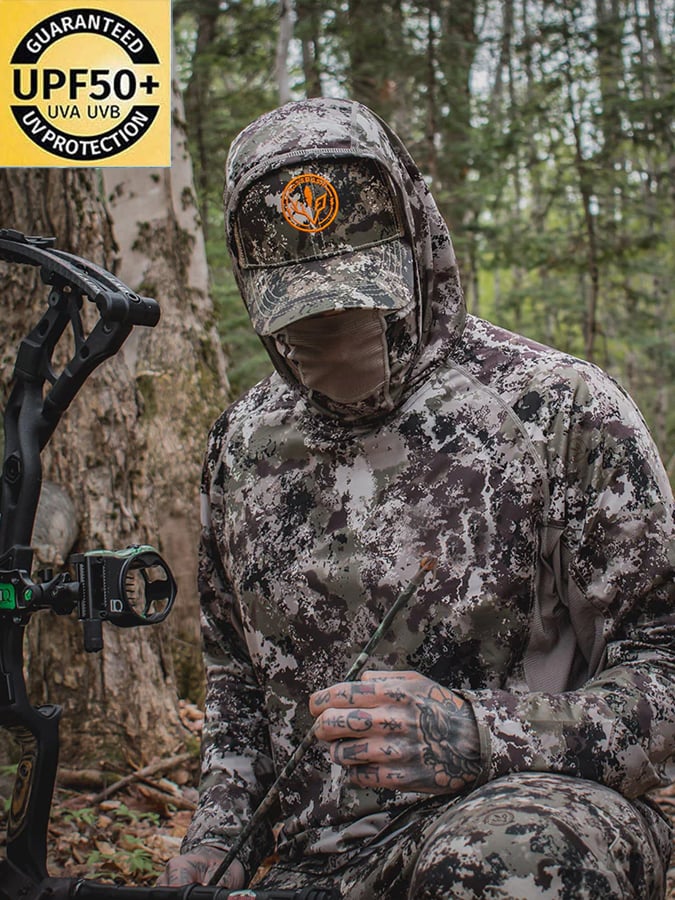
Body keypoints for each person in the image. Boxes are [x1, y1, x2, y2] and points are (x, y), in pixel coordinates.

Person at [159, 97, 674, 898]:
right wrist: (216, 846)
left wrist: (478, 734)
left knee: (506, 859)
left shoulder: (559, 409)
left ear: (418, 249)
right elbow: (236, 682)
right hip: (319, 861)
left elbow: (664, 666)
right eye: (304, 313)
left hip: (527, 818)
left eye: (359, 300)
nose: (337, 333)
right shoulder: (243, 444)